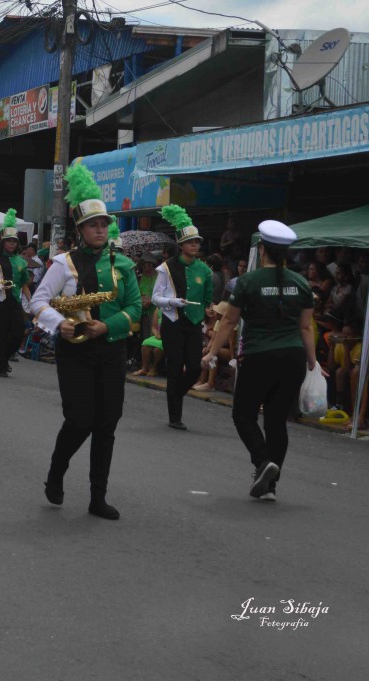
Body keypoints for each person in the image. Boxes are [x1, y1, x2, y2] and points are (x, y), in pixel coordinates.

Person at [31, 161, 142, 520]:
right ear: (80, 229)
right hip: (74, 353)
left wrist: (106, 327)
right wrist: (60, 322)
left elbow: (136, 307)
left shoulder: (122, 264)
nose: (100, 229)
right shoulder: (63, 263)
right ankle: (56, 471)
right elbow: (37, 302)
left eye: (104, 224)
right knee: (80, 419)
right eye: (93, 225)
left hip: (111, 351)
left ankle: (98, 496)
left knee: (107, 423)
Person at [203, 220, 316, 502]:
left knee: (243, 414)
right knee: (277, 421)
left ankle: (263, 462)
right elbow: (306, 327)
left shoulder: (248, 282)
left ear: (262, 249)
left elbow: (229, 320)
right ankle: (270, 486)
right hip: (293, 358)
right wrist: (313, 361)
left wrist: (211, 352)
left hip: (259, 356)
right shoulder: (301, 283)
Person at [152, 205, 213, 430]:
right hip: (173, 322)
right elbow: (156, 297)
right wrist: (172, 302)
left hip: (195, 323)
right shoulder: (166, 268)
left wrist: (210, 310)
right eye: (190, 242)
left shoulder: (205, 270)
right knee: (175, 367)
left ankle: (175, 394)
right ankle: (175, 417)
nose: (195, 245)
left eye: (197, 241)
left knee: (195, 368)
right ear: (181, 245)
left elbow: (208, 300)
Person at [0, 211, 31, 377]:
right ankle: (1, 366)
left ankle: (4, 357)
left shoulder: (21, 262)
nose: (12, 244)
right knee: (1, 333)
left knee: (19, 330)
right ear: (3, 242)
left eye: (14, 241)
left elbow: (24, 283)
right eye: (9, 241)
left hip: (14, 299)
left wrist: (29, 302)